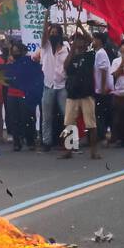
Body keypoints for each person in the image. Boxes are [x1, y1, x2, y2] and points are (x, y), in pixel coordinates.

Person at [61, 35, 101, 159]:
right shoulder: (72, 57)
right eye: (75, 40)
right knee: (69, 123)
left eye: (80, 40)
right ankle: (68, 150)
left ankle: (94, 151)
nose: (77, 42)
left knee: (91, 124)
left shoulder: (90, 55)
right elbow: (65, 67)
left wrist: (81, 28)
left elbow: (92, 41)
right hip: (72, 94)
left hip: (86, 94)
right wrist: (72, 49)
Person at [33, 23, 69, 151]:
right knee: (46, 116)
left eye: (55, 33)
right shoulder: (46, 46)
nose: (53, 35)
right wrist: (46, 14)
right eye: (51, 33)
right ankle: (46, 143)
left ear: (60, 34)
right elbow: (44, 34)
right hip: (48, 85)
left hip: (62, 86)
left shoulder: (66, 48)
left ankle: (69, 143)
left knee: (67, 116)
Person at [91, 32, 114, 145]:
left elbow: (104, 70)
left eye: (94, 39)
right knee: (101, 113)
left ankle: (105, 136)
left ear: (99, 41)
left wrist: (104, 86)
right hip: (100, 88)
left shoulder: (101, 53)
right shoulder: (97, 52)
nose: (92, 41)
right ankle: (105, 136)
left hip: (103, 89)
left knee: (101, 113)